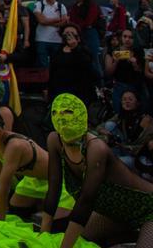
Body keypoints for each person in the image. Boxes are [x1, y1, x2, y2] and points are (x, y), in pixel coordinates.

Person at [43, 93, 153, 247]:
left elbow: (86, 200)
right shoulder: (54, 139)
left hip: (148, 210)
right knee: (80, 238)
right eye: (55, 112)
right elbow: (53, 188)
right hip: (114, 214)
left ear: (81, 116)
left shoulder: (96, 148)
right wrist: (42, 237)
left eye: (67, 112)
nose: (61, 118)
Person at [47, 24, 97, 107]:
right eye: (66, 33)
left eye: (72, 33)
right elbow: (52, 71)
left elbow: (88, 67)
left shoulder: (83, 51)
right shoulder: (57, 51)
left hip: (79, 93)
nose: (69, 36)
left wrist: (75, 48)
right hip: (60, 92)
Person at [68, 0, 103, 78]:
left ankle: (100, 85)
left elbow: (89, 21)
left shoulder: (92, 5)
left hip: (90, 33)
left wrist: (76, 26)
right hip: (77, 35)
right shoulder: (74, 7)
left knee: (94, 60)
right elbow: (71, 20)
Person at [33, 0, 68, 67]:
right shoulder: (39, 4)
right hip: (41, 39)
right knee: (42, 64)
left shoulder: (61, 6)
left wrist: (46, 21)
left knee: (56, 63)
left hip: (57, 40)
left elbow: (64, 22)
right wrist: (57, 20)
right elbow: (41, 20)